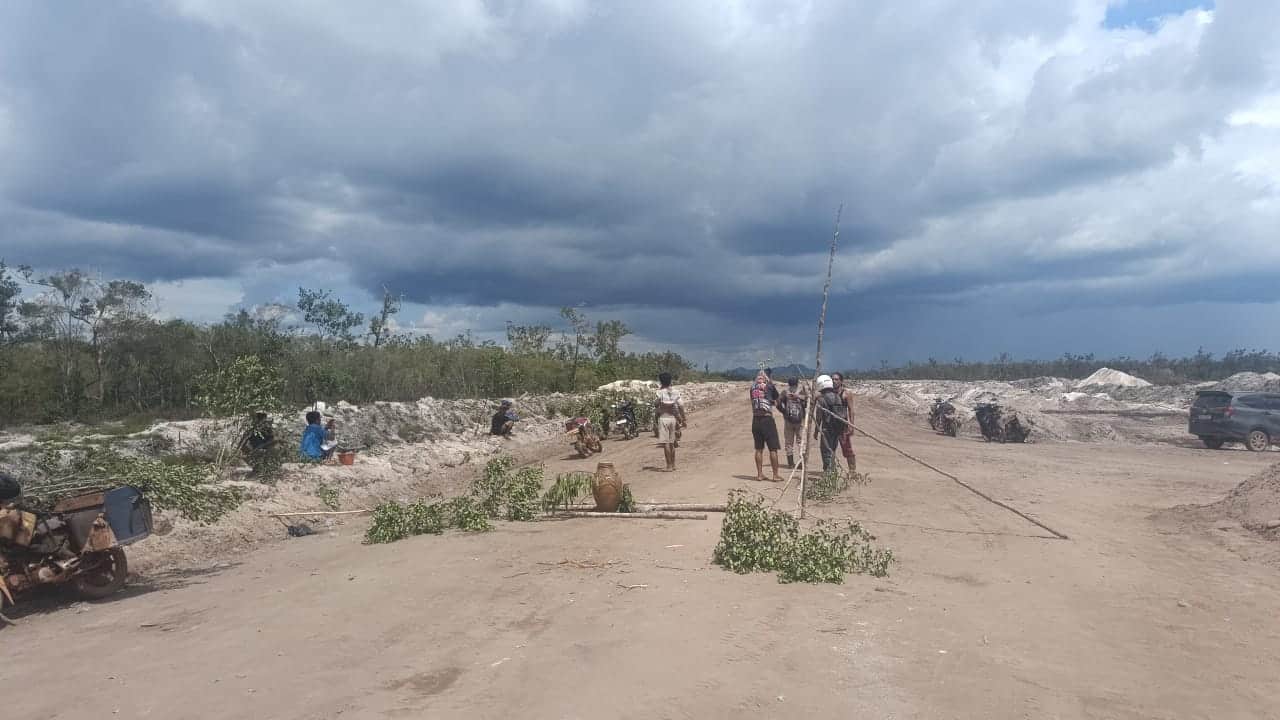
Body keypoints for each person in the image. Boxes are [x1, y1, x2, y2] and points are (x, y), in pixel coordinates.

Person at [814, 374, 851, 474]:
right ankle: (832, 472)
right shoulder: (837, 397)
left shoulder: (821, 399)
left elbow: (819, 416)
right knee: (832, 451)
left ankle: (828, 474)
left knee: (826, 452)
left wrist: (816, 431)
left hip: (827, 429)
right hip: (837, 429)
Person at [750, 370, 782, 482]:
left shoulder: (752, 388)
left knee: (758, 449)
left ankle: (759, 474)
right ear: (767, 377)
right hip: (767, 419)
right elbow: (776, 399)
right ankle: (775, 475)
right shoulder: (769, 386)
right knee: (773, 448)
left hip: (755, 420)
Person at [653, 372, 687, 471]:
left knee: (666, 443)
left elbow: (656, 404)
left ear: (660, 381)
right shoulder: (676, 392)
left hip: (663, 418)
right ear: (670, 380)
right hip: (673, 418)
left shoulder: (659, 392)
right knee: (672, 442)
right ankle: (674, 464)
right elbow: (681, 406)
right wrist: (683, 419)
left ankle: (668, 466)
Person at [777, 377, 809, 469]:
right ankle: (802, 463)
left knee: (789, 442)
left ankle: (790, 464)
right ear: (797, 383)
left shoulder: (785, 393)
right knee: (801, 442)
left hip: (788, 421)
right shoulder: (801, 393)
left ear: (788, 383)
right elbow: (808, 403)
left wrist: (783, 412)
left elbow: (778, 403)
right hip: (800, 421)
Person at [831, 372, 857, 472]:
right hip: (831, 426)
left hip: (843, 426)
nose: (834, 381)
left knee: (847, 450)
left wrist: (851, 425)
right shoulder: (829, 393)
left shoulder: (847, 393)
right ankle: (831, 471)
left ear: (841, 381)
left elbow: (851, 410)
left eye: (836, 379)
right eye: (832, 379)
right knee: (830, 450)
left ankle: (852, 471)